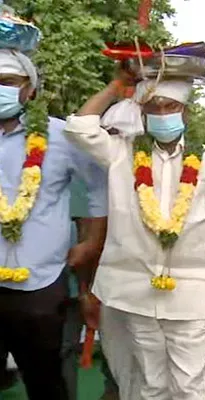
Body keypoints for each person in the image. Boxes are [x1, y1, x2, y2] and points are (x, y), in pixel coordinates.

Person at [64, 73, 205, 399]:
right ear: (141, 112)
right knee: (151, 383)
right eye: (153, 107)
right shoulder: (122, 152)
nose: (162, 114)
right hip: (137, 292)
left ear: (185, 111)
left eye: (170, 106)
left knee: (190, 386)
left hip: (192, 292)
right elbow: (78, 128)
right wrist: (117, 87)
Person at [0, 45, 108, 399]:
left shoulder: (61, 136)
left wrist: (91, 242)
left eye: (7, 81)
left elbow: (97, 190)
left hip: (41, 283)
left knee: (46, 381)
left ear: (29, 89)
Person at [63, 177, 108, 400]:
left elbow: (86, 233)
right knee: (63, 349)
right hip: (70, 283)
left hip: (108, 282)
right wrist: (83, 292)